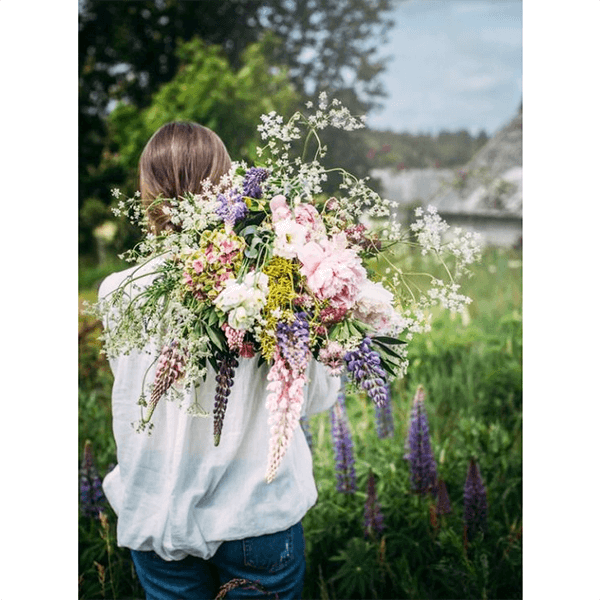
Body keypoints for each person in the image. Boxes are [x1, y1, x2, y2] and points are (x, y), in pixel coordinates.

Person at [98, 121, 341, 600]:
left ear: (146, 193)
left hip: (156, 511)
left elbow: (141, 396)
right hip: (254, 514)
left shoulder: (116, 292)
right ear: (227, 182)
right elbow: (313, 398)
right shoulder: (274, 279)